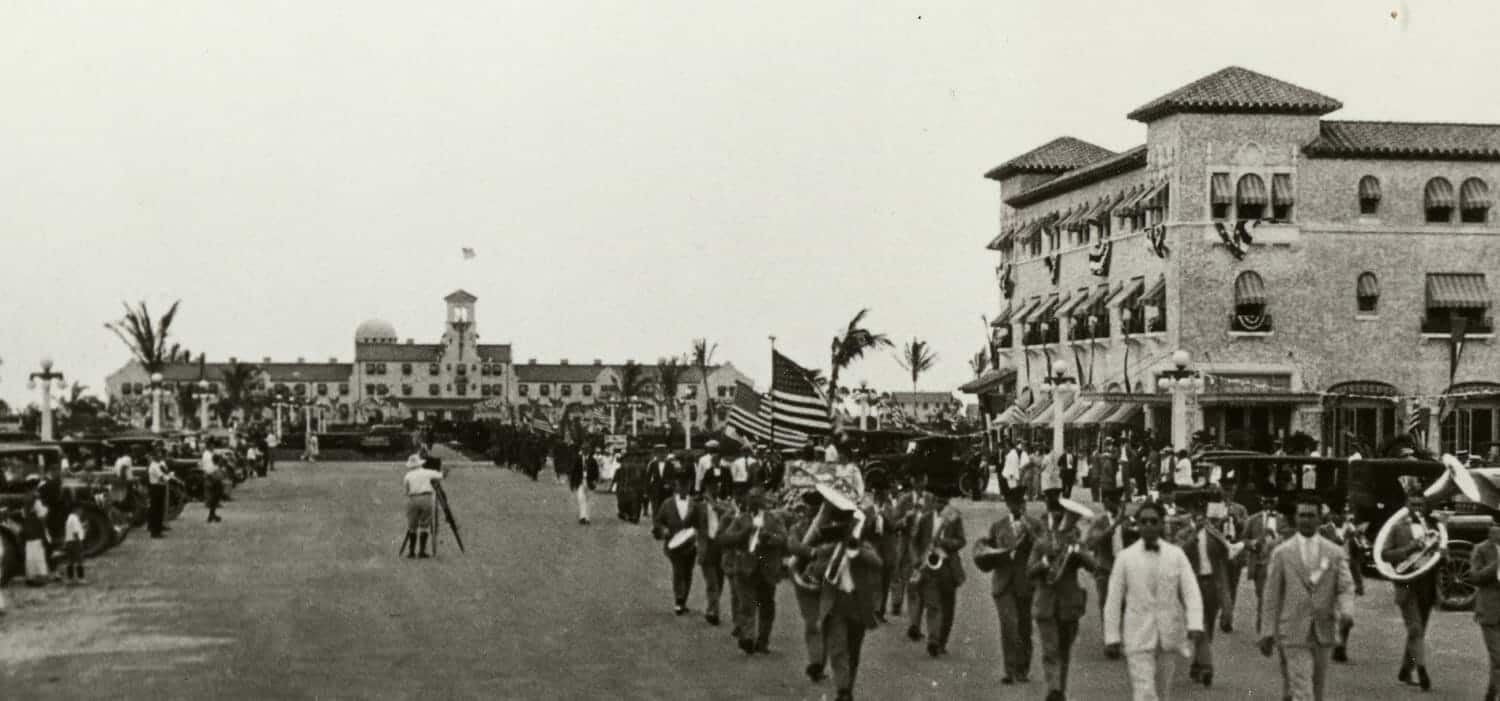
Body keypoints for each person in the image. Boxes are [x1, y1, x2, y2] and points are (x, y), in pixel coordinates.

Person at [1104, 500, 1205, 701]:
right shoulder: (1125, 558)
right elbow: (1114, 599)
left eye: (1153, 521)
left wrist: (1195, 623)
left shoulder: (1176, 555)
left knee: (1163, 691)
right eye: (1144, 521)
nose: (1148, 526)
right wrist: (1112, 636)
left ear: (1161, 524)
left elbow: (1191, 590)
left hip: (1168, 635)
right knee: (1145, 692)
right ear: (1138, 525)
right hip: (1138, 635)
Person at [1259, 494, 1356, 701]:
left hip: (1323, 629)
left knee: (1317, 688)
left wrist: (1347, 611)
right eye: (1302, 515)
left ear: (1320, 518)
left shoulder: (1334, 552)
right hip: (1293, 630)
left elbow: (1346, 586)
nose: (1305, 520)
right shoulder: (1282, 553)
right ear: (1295, 518)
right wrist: (1267, 630)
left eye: (1311, 515)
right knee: (1304, 690)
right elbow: (1271, 595)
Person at [807, 484, 882, 701]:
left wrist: (856, 550)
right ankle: (842, 690)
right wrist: (831, 553)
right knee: (838, 648)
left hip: (858, 603)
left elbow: (878, 563)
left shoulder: (862, 545)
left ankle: (847, 688)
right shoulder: (829, 547)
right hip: (836, 603)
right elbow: (816, 569)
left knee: (854, 651)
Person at [1029, 494, 1096, 701]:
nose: (1060, 520)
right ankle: (1054, 689)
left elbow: (1093, 566)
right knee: (1050, 649)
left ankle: (1060, 691)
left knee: (1064, 652)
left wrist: (1079, 553)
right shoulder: (1041, 543)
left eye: (1063, 516)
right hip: (1046, 604)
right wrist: (1045, 564)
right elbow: (1029, 572)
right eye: (1056, 516)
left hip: (1069, 604)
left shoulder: (1075, 543)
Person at [1381, 490, 1442, 691]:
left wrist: (1443, 553)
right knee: (1415, 629)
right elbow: (1385, 554)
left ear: (1425, 507)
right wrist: (1409, 548)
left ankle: (1406, 669)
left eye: (1420, 505)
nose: (1417, 509)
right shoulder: (1397, 528)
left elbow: (1438, 560)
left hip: (1427, 584)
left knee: (1418, 631)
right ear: (1407, 506)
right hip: (1406, 583)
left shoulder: (1434, 528)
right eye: (1413, 505)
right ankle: (1422, 671)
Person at [980, 487, 1038, 682]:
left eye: (1020, 503)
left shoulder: (1034, 525)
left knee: (1024, 627)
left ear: (1024, 504)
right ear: (1008, 505)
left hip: (1025, 582)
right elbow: (987, 551)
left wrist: (1030, 532)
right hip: (1003, 583)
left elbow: (1042, 548)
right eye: (1013, 503)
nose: (1017, 507)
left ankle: (1022, 669)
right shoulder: (998, 526)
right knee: (1009, 625)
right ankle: (1010, 670)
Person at [720, 486, 787, 654]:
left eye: (758, 498)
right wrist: (743, 533)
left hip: (767, 569)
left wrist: (769, 538)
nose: (754, 502)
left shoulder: (773, 519)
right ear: (747, 501)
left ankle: (763, 641)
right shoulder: (741, 519)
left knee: (766, 606)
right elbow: (726, 538)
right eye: (751, 498)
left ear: (763, 501)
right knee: (747, 604)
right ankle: (748, 638)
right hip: (745, 568)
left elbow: (784, 539)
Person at [1180, 495, 1231, 688]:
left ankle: (1197, 663)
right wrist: (1194, 535)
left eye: (1202, 511)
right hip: (1192, 584)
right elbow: (1179, 551)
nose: (1200, 515)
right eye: (1196, 510)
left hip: (1211, 584)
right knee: (1198, 624)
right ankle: (1207, 666)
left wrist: (1221, 533)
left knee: (1208, 625)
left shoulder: (1212, 532)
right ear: (1191, 512)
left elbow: (1227, 553)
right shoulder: (1184, 531)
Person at [909, 486, 965, 658]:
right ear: (933, 501)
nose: (941, 505)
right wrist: (916, 559)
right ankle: (933, 640)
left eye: (944, 502)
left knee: (948, 607)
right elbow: (913, 541)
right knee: (933, 605)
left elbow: (961, 541)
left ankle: (942, 641)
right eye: (938, 501)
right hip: (929, 568)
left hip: (948, 567)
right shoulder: (925, 519)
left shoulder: (954, 518)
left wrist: (944, 542)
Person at [1317, 504, 1366, 660]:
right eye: (1337, 513)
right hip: (1328, 572)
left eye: (1344, 514)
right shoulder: (1323, 530)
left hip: (1347, 574)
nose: (1341, 517)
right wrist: (1344, 537)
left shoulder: (1352, 530)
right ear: (1330, 515)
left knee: (1347, 614)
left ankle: (1341, 646)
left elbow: (1357, 558)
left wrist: (1359, 540)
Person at [1464, 515, 1500, 701]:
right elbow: (1475, 577)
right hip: (1489, 608)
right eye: (1495, 526)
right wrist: (1496, 565)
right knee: (1498, 657)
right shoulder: (1480, 549)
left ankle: (1491, 693)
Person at [1086, 488, 1133, 630]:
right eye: (1114, 501)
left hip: (1124, 568)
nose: (1118, 504)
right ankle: (1110, 638)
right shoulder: (1100, 521)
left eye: (1119, 501)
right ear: (1105, 503)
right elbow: (1091, 543)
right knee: (1106, 604)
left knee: (1125, 605)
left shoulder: (1127, 521)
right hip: (1104, 568)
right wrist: (1114, 525)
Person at [654, 475, 700, 615]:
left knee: (688, 572)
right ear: (676, 486)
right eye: (681, 485)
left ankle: (683, 600)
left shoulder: (695, 504)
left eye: (687, 486)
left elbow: (700, 522)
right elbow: (658, 521)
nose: (684, 489)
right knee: (678, 571)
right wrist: (663, 530)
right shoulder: (667, 504)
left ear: (690, 487)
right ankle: (679, 600)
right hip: (673, 544)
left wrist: (697, 534)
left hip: (691, 544)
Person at [1243, 494, 1286, 632]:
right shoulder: (1253, 519)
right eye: (1266, 502)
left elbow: (1290, 538)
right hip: (1261, 563)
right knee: (1263, 596)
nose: (1269, 505)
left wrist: (1278, 539)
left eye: (1272, 502)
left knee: (1277, 596)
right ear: (1261, 502)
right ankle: (1263, 628)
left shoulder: (1283, 519)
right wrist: (1255, 543)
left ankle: (1272, 628)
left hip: (1279, 563)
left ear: (1276, 502)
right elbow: (1243, 540)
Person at [695, 481, 736, 627]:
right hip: (707, 546)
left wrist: (713, 503)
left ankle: (712, 607)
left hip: (720, 546)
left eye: (717, 486)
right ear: (706, 487)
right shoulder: (698, 506)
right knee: (712, 582)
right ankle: (714, 611)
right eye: (712, 486)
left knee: (719, 581)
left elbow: (730, 514)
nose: (715, 489)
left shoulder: (724, 505)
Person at [401, 457, 444, 559]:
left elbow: (406, 490)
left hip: (412, 499)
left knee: (412, 526)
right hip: (426, 498)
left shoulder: (407, 475)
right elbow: (441, 476)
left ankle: (411, 552)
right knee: (424, 525)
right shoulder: (427, 472)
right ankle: (422, 552)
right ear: (420, 464)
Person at [22, 498, 53, 585]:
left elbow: (24, 516)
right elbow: (42, 517)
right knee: (39, 554)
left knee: (30, 555)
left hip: (29, 534)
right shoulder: (36, 502)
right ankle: (40, 577)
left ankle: (30, 577)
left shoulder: (26, 503)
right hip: (37, 532)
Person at [567, 443, 598, 525]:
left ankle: (587, 517)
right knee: (581, 499)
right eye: (584, 449)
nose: (585, 451)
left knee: (588, 500)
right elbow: (573, 472)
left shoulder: (593, 460)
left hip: (589, 482)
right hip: (580, 481)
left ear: (589, 451)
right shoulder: (577, 459)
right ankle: (582, 517)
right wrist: (572, 484)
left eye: (587, 449)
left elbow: (596, 472)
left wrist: (595, 481)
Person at [147, 449, 171, 538]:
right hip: (156, 488)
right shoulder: (154, 466)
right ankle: (155, 532)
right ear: (154, 456)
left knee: (159, 510)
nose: (160, 456)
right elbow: (162, 477)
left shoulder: (158, 464)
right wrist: (168, 477)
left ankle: (158, 529)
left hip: (159, 488)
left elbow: (165, 472)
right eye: (158, 455)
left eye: (160, 455)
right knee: (156, 511)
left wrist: (167, 475)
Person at [63, 503, 87, 585]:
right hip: (75, 541)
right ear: (76, 509)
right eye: (80, 510)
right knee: (80, 560)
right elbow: (75, 532)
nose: (81, 512)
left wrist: (83, 526)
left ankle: (70, 578)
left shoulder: (70, 518)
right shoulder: (75, 519)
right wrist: (79, 542)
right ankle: (81, 578)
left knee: (70, 561)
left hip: (69, 541)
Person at [202, 446, 224, 523]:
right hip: (215, 486)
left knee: (214, 502)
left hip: (213, 486)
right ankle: (211, 516)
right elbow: (215, 477)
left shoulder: (213, 467)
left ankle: (212, 515)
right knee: (213, 502)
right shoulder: (215, 468)